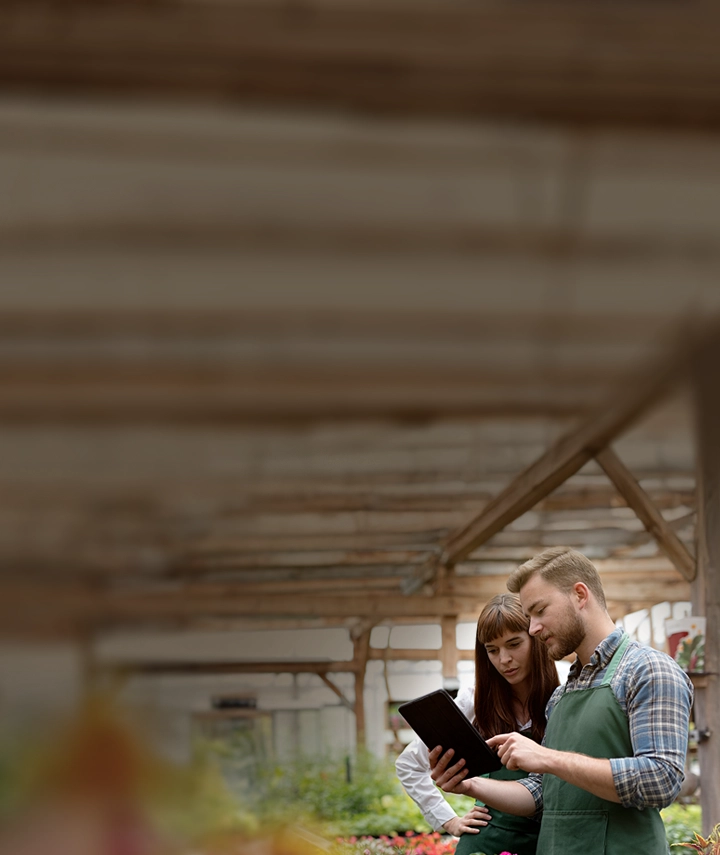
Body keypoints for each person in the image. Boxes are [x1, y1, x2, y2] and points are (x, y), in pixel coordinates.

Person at [430, 547, 694, 855]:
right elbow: (543, 794)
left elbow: (661, 778)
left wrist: (549, 758)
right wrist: (471, 786)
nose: (533, 628)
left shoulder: (647, 669)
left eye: (540, 611)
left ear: (580, 595)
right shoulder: (561, 696)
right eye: (529, 616)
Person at [396, 593, 559, 855]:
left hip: (547, 843)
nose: (503, 659)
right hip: (485, 844)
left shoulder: (561, 699)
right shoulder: (475, 702)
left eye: (514, 644)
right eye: (492, 650)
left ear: (536, 639)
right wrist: (448, 819)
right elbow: (408, 764)